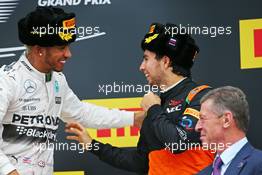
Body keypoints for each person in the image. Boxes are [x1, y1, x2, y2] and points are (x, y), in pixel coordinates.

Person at [0, 6, 144, 175]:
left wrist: (133, 118)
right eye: (61, 47)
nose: (68, 54)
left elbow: (82, 114)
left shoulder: (57, 81)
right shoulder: (7, 80)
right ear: (39, 50)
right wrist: (9, 171)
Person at [66, 23, 214, 175]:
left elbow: (177, 142)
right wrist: (92, 145)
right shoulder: (157, 102)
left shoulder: (202, 96)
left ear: (165, 62)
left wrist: (153, 109)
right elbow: (141, 162)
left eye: (146, 59)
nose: (141, 67)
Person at [195, 86, 262, 175]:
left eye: (203, 118)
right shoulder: (203, 173)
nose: (197, 127)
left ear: (226, 120)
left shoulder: (259, 165)